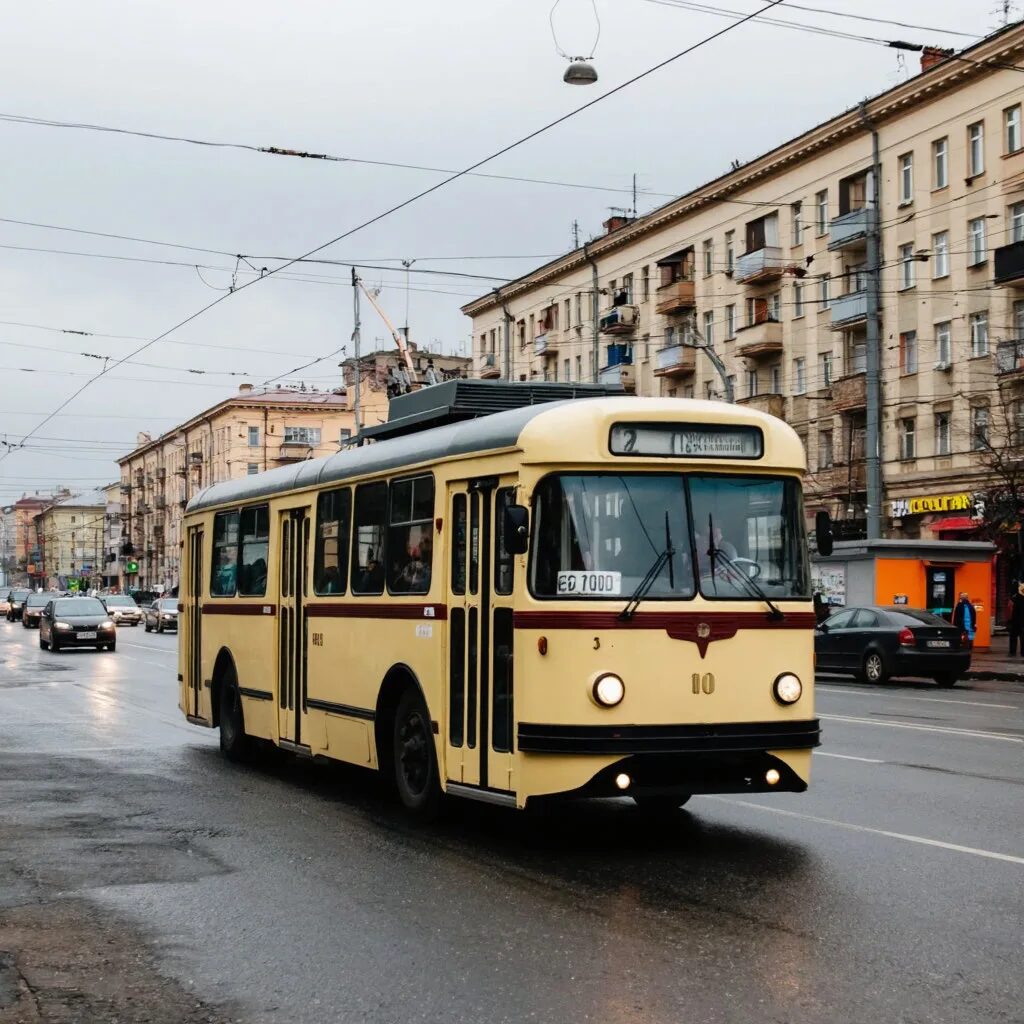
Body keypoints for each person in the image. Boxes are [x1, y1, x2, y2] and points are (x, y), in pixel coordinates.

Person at [1009, 582, 1024, 657]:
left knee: (1014, 633)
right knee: (1019, 633)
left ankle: (1012, 652)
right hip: (1018, 615)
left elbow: (1012, 598)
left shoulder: (1017, 584)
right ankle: (1018, 652)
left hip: (1017, 615)